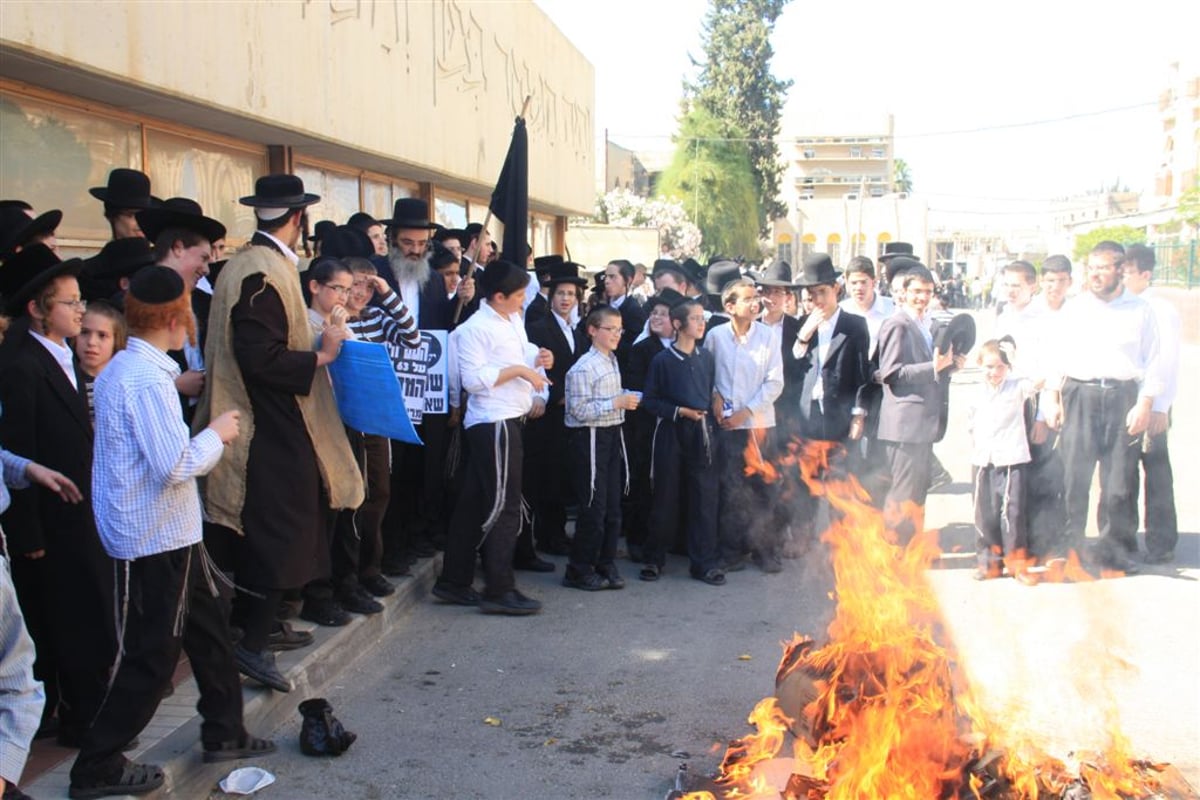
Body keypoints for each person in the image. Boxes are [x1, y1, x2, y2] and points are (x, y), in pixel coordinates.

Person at [66, 266, 275, 798]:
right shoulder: (142, 378)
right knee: (154, 658)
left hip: (172, 533)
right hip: (151, 538)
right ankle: (97, 766)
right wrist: (217, 434)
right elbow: (175, 465)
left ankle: (225, 729)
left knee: (208, 631)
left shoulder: (132, 371)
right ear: (178, 319)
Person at [196, 174, 363, 692]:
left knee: (274, 530)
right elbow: (259, 357)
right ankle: (249, 644)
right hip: (263, 423)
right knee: (279, 532)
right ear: (298, 218)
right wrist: (322, 354)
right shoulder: (261, 272)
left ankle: (258, 629)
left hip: (269, 418)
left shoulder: (258, 264)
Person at [0, 246, 117, 748]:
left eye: (79, 300)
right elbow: (17, 448)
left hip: (82, 511)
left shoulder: (65, 356)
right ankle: (81, 722)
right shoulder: (23, 364)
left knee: (92, 615)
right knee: (68, 622)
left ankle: (90, 712)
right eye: (68, 303)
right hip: (51, 523)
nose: (78, 310)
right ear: (38, 308)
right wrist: (29, 534)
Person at [432, 260, 552, 615]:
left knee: (472, 504)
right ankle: (499, 588)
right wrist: (518, 371)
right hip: (492, 421)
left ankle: (454, 580)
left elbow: (521, 351)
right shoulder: (474, 328)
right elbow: (472, 379)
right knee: (504, 504)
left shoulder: (511, 319)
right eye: (517, 296)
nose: (522, 302)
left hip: (509, 416)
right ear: (498, 296)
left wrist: (539, 357)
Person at [1042, 241, 1161, 574]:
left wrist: (1145, 403)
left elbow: (1153, 363)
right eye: (1091, 268)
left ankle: (1114, 551)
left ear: (1120, 270)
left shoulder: (1140, 310)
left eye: (1103, 267)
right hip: (1080, 396)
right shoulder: (1075, 309)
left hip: (1122, 399)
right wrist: (1052, 396)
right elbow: (1055, 354)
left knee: (1119, 483)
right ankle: (1066, 549)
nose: (1094, 274)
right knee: (1071, 477)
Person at [343, 255, 419, 593]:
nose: (361, 293)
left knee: (379, 492)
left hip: (376, 419)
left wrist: (387, 292)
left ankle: (369, 569)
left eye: (368, 286)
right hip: (342, 419)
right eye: (356, 284)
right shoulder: (332, 317)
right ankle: (346, 574)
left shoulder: (376, 314)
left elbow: (412, 337)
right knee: (349, 498)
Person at [875, 263, 964, 544]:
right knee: (903, 494)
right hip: (903, 425)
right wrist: (934, 367)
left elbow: (934, 369)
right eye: (916, 291)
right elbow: (890, 373)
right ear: (902, 293)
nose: (922, 297)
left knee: (918, 492)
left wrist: (950, 367)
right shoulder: (896, 324)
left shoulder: (928, 324)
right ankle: (893, 549)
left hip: (925, 424)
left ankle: (910, 548)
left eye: (927, 291)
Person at [788, 254, 872, 548]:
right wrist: (804, 334)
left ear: (836, 289)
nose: (817, 300)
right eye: (811, 295)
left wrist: (859, 413)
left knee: (839, 475)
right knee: (806, 476)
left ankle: (842, 538)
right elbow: (794, 368)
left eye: (822, 292)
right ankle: (804, 534)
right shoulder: (802, 325)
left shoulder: (854, 324)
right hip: (809, 411)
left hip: (839, 411)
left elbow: (864, 373)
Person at [640, 300, 724, 586]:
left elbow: (712, 388)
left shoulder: (706, 358)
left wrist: (715, 399)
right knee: (665, 496)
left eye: (703, 318)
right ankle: (654, 558)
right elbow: (649, 401)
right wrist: (679, 412)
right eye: (695, 319)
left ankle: (704, 563)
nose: (701, 324)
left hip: (701, 433)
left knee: (704, 498)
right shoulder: (662, 361)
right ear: (678, 324)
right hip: (671, 433)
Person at [704, 277, 784, 573]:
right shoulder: (715, 336)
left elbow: (775, 382)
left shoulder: (767, 336)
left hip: (760, 426)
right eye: (748, 299)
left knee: (764, 489)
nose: (755, 303)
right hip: (726, 426)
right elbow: (708, 373)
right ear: (729, 306)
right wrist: (714, 396)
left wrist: (746, 412)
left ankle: (765, 549)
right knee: (732, 489)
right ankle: (732, 550)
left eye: (756, 298)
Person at [562, 306, 640, 591]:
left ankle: (605, 562)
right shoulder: (583, 367)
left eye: (620, 330)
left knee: (612, 508)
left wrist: (621, 399)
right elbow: (578, 410)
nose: (617, 335)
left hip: (611, 435)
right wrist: (616, 403)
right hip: (590, 437)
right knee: (593, 507)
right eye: (610, 329)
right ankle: (578, 568)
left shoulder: (611, 360)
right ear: (593, 330)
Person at [522, 262, 589, 560]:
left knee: (563, 477)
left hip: (572, 415)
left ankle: (558, 534)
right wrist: (559, 394)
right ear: (551, 297)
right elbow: (536, 368)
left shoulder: (580, 331)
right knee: (544, 476)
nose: (565, 299)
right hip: (547, 413)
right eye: (561, 293)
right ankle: (545, 536)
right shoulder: (537, 327)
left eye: (571, 294)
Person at [1120, 244, 1179, 564]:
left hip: (1153, 401)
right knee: (1123, 471)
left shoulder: (1159, 309)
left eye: (1127, 273)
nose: (1123, 278)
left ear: (1146, 274)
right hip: (1126, 399)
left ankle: (1161, 541)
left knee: (1155, 470)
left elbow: (1166, 361)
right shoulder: (1125, 305)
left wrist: (1160, 406)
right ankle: (1125, 540)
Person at [967, 340, 1037, 585]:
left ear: (1008, 367)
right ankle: (988, 564)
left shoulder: (1017, 387)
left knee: (1012, 514)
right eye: (988, 367)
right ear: (980, 366)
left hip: (1011, 459)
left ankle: (1017, 566)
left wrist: (1016, 360)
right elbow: (971, 423)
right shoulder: (975, 391)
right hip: (983, 460)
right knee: (984, 514)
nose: (994, 372)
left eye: (999, 367)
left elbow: (1040, 380)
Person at [622, 289, 683, 562]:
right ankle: (638, 539)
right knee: (643, 482)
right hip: (647, 425)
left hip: (678, 425)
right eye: (654, 313)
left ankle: (674, 538)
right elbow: (635, 388)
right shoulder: (642, 348)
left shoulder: (686, 347)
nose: (657, 318)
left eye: (664, 314)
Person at [74, 299, 127, 422]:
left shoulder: (123, 383)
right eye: (85, 332)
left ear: (116, 341)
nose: (91, 342)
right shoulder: (65, 378)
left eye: (102, 335)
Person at [838, 255, 893, 359]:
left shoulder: (892, 309)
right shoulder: (841, 311)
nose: (859, 288)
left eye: (863, 282)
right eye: (854, 283)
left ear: (874, 281)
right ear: (847, 284)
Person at [602, 259, 646, 376]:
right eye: (606, 277)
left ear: (628, 280)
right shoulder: (600, 308)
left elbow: (635, 348)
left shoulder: (634, 311)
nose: (607, 281)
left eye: (613, 277)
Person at [88, 168, 159, 241]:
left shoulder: (161, 251)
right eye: (131, 215)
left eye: (146, 215)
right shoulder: (108, 252)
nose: (141, 222)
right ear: (111, 216)